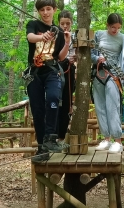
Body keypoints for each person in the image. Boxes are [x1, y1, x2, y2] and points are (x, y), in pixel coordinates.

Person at [25, 0, 71, 162]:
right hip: (35, 72)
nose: (45, 12)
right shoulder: (33, 25)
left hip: (51, 71)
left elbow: (59, 57)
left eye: (48, 9)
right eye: (42, 10)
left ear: (54, 10)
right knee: (38, 111)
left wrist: (66, 43)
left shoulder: (58, 31)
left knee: (53, 98)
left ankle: (51, 138)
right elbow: (30, 37)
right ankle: (41, 148)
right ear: (38, 11)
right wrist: (41, 37)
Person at [91, 13, 124, 154]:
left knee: (112, 106)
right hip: (98, 73)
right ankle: (106, 139)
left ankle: (118, 141)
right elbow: (90, 54)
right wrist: (97, 58)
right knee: (100, 107)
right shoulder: (98, 35)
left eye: (118, 28)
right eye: (113, 27)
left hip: (114, 74)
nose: (115, 30)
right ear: (107, 25)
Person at [57, 10, 77, 148]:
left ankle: (62, 137)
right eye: (62, 23)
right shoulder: (55, 35)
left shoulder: (76, 37)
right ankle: (53, 135)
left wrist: (76, 59)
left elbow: (80, 53)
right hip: (56, 71)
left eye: (68, 23)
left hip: (69, 70)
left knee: (67, 103)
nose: (65, 26)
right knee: (55, 101)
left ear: (71, 23)